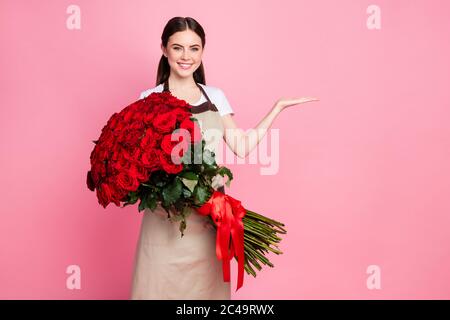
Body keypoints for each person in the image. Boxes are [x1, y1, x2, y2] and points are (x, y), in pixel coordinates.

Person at [130, 16, 319, 300]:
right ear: (164, 49)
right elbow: (141, 161)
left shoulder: (215, 97)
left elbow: (241, 147)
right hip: (164, 220)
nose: (186, 56)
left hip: (209, 219)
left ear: (203, 51)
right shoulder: (149, 98)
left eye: (194, 48)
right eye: (178, 47)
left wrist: (276, 109)